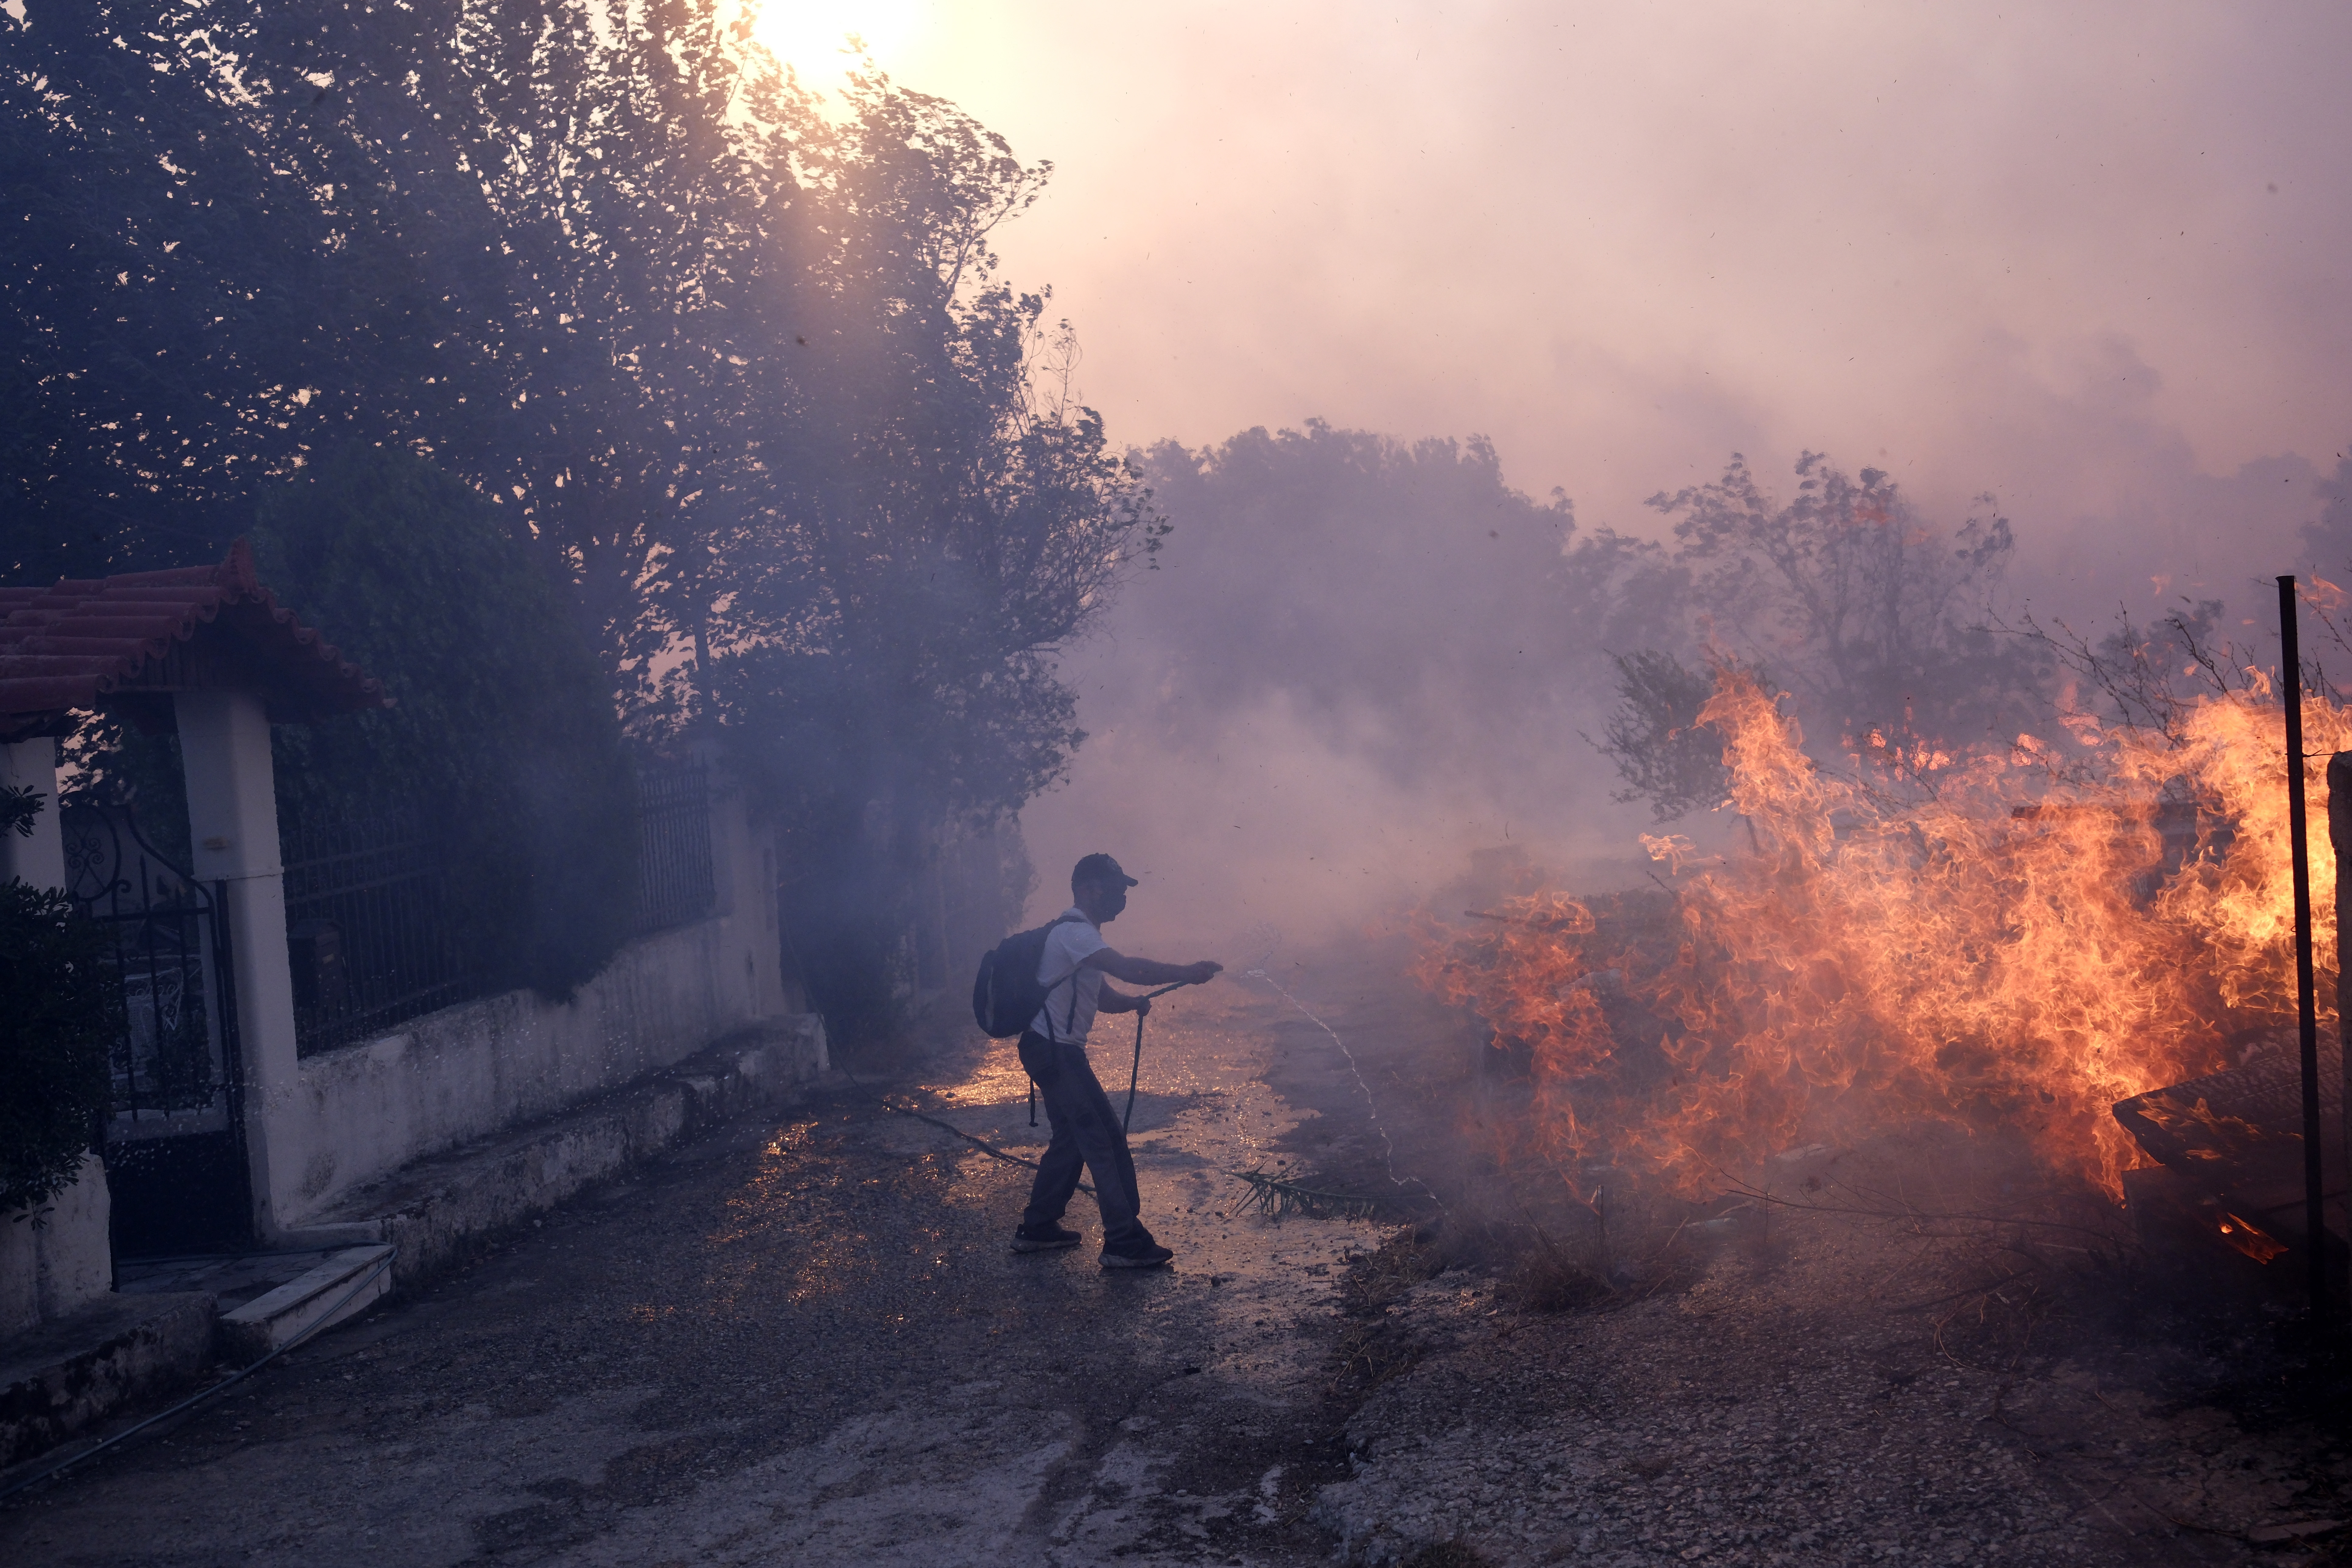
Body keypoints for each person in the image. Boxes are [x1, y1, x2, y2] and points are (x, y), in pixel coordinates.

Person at [1013, 853, 1221, 1269]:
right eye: (1117, 890)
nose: (1122, 898)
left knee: (1073, 1138)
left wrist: (1131, 1005)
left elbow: (1102, 994)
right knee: (1103, 1139)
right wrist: (1188, 970)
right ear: (1089, 888)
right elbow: (1128, 968)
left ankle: (1038, 1228)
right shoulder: (1075, 933)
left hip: (1051, 1049)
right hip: (1055, 1052)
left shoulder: (1079, 936)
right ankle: (1124, 1241)